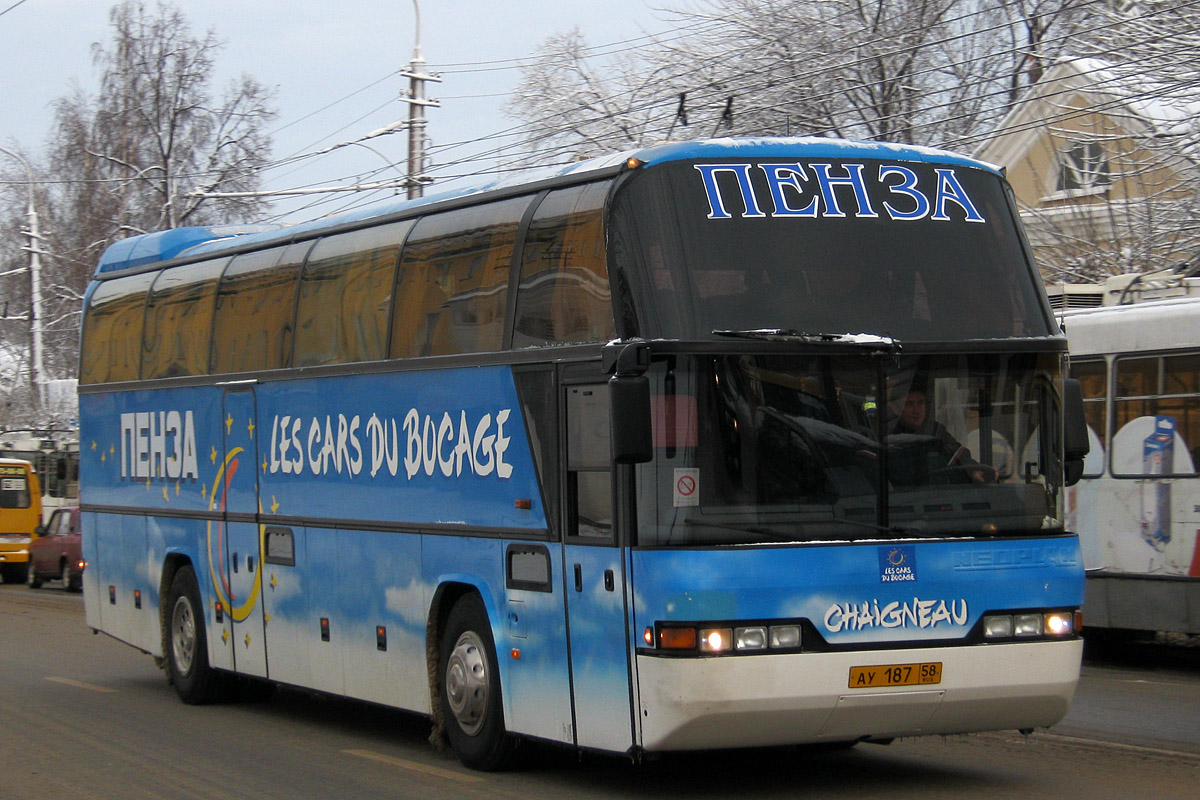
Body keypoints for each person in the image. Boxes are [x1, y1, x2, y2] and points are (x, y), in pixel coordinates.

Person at [890, 385, 990, 483]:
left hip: (937, 493)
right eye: (909, 404)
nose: (916, 410)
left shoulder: (934, 430)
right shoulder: (889, 437)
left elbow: (957, 452)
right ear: (895, 409)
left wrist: (974, 470)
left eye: (921, 403)